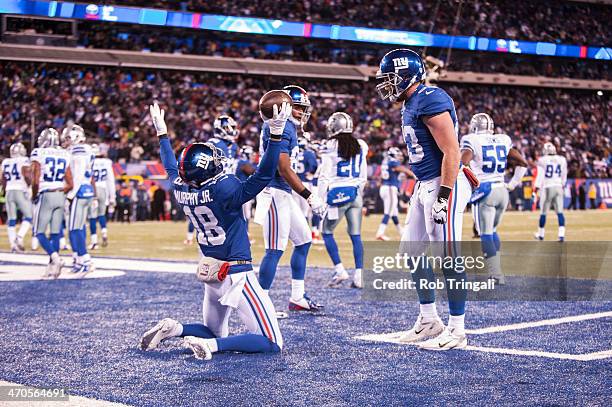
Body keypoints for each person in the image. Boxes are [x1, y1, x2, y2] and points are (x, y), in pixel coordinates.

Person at [140, 101, 287, 360]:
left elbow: (171, 166)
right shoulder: (224, 188)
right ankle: (210, 347)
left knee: (212, 329)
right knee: (271, 341)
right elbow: (263, 176)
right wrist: (275, 136)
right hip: (236, 272)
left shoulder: (181, 187)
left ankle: (175, 329)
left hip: (211, 272)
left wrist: (162, 135)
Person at [376, 48, 473, 350]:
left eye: (391, 78)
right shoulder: (411, 102)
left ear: (407, 75)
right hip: (424, 184)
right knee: (412, 250)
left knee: (448, 255)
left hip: (443, 184)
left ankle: (457, 329)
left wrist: (444, 194)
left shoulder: (430, 98)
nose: (387, 85)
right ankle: (429, 320)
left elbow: (452, 151)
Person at [255, 85, 327, 312]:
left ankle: (297, 297)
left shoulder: (286, 126)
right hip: (274, 191)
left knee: (304, 240)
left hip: (283, 192)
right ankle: (260, 305)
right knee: (275, 249)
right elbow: (284, 168)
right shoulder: (283, 126)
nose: (301, 112)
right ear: (284, 106)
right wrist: (309, 195)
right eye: (297, 107)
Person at [460, 113, 528, 284]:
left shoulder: (471, 139)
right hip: (502, 190)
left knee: (485, 233)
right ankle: (497, 269)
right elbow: (522, 163)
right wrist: (512, 184)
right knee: (493, 231)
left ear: (474, 126)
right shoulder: (503, 139)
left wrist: (471, 181)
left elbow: (463, 163)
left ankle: (496, 274)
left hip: (485, 190)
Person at [318, 112, 368, 289]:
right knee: (355, 235)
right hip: (355, 193)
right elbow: (363, 175)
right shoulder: (361, 144)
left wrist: (320, 199)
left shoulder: (330, 144)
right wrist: (357, 191)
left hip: (337, 194)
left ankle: (340, 270)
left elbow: (324, 176)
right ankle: (359, 276)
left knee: (325, 231)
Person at [30, 128, 71, 278]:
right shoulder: (64, 153)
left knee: (38, 232)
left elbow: (35, 179)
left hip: (45, 194)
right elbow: (70, 183)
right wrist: (59, 191)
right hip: (60, 194)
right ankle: (52, 268)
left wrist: (34, 195)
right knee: (55, 232)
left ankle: (56, 259)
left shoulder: (38, 153)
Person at [62, 124, 96, 273]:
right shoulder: (87, 149)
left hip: (79, 191)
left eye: (69, 137)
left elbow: (79, 173)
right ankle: (78, 258)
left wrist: (70, 194)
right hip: (86, 190)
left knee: (74, 228)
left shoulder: (79, 149)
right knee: (79, 226)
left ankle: (85, 259)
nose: (68, 141)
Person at [375, 147, 413, 240]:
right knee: (388, 211)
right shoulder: (392, 161)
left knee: (394, 212)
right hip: (389, 188)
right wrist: (413, 174)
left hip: (385, 187)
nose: (400, 157)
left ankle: (401, 231)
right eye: (398, 155)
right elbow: (400, 168)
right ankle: (380, 232)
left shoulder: (385, 161)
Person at [533, 142, 568, 241]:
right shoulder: (562, 159)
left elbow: (540, 176)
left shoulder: (542, 160)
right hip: (558, 186)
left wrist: (536, 188)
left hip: (548, 187)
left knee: (543, 212)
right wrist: (562, 184)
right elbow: (564, 175)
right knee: (560, 212)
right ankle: (561, 235)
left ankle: (541, 234)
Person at [1, 142, 32, 252]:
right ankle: (19, 238)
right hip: (20, 190)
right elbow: (26, 175)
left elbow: (3, 179)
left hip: (9, 191)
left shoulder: (5, 162)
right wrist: (29, 187)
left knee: (12, 219)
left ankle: (13, 244)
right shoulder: (24, 160)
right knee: (29, 216)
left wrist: (5, 191)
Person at [88, 144, 116, 249]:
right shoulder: (106, 162)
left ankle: (94, 241)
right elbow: (110, 180)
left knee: (92, 216)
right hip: (104, 189)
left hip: (93, 190)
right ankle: (104, 232)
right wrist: (112, 197)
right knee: (101, 214)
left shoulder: (90, 161)